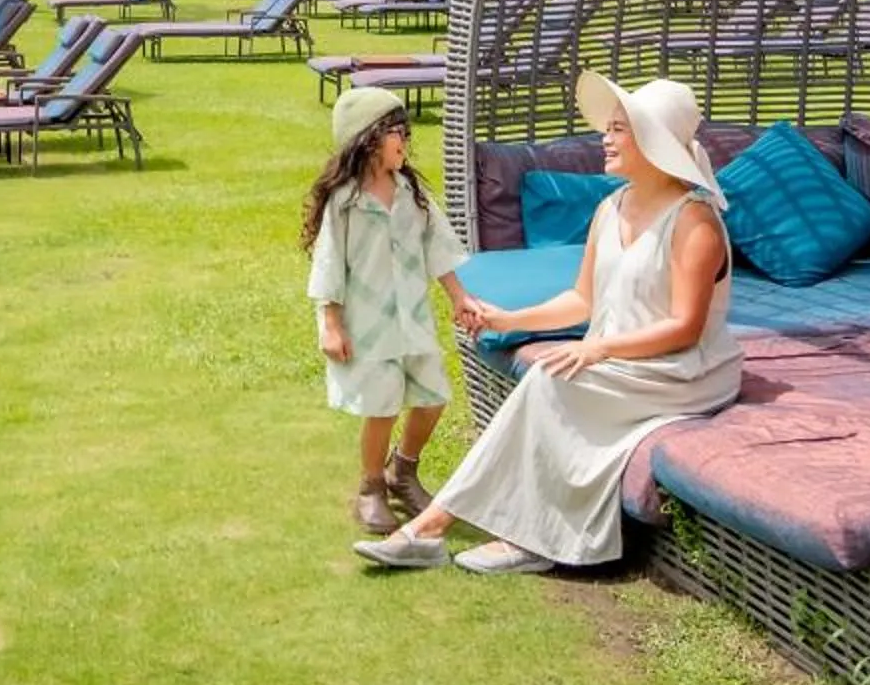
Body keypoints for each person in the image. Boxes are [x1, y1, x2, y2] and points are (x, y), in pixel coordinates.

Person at [355, 72, 742, 574]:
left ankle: (440, 531)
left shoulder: (695, 221)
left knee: (548, 382)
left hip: (683, 373)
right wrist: (510, 318)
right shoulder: (611, 208)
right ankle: (472, 532)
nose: (604, 137)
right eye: (609, 127)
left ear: (654, 141)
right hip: (628, 363)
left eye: (620, 129)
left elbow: (685, 327)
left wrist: (597, 350)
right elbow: (582, 300)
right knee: (548, 381)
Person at [307, 87, 479, 534]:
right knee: (381, 407)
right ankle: (370, 489)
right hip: (369, 326)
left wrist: (459, 297)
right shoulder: (344, 202)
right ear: (368, 140)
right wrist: (330, 324)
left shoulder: (412, 192)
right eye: (397, 133)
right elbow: (328, 264)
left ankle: (402, 472)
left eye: (405, 133)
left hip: (413, 320)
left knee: (434, 398)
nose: (405, 142)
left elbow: (437, 246)